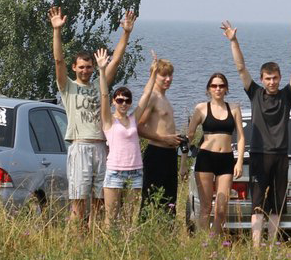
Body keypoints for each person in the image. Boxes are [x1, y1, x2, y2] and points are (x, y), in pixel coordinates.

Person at [49, 5, 135, 229]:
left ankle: (95, 243)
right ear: (74, 68)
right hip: (80, 147)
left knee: (99, 203)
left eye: (89, 67)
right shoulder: (67, 86)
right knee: (78, 205)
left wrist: (125, 33)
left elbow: (115, 61)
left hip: (102, 148)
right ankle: (75, 244)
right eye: (82, 67)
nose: (86, 71)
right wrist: (57, 31)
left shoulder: (100, 85)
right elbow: (58, 62)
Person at [225, 20, 291, 247]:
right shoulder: (255, 94)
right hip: (259, 154)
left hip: (281, 155)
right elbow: (241, 68)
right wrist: (234, 41)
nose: (272, 82)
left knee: (276, 202)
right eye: (268, 79)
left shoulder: (286, 96)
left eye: (275, 78)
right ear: (262, 80)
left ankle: (271, 244)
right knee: (258, 202)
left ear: (279, 79)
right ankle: (256, 245)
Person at [95, 49, 159, 228]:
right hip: (115, 172)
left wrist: (153, 73)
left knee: (129, 219)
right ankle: (109, 252)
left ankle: (128, 252)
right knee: (111, 218)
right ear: (114, 101)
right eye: (120, 100)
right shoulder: (109, 120)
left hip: (135, 172)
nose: (123, 103)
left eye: (127, 100)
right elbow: (104, 94)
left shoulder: (133, 119)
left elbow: (146, 96)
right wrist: (101, 70)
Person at [188, 70, 245, 240]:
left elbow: (241, 136)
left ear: (226, 89)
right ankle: (204, 244)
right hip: (206, 158)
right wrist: (185, 157)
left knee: (221, 208)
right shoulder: (201, 108)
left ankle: (213, 240)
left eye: (221, 86)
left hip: (226, 159)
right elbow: (189, 136)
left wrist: (239, 161)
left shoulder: (234, 108)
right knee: (205, 207)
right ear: (209, 89)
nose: (218, 89)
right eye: (214, 86)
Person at [138, 57, 184, 219]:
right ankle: (145, 231)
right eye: (163, 75)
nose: (168, 79)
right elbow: (138, 127)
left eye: (170, 75)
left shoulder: (165, 98)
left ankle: (167, 234)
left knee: (169, 200)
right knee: (151, 198)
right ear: (154, 76)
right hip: (156, 153)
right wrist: (163, 139)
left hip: (170, 155)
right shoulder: (152, 97)